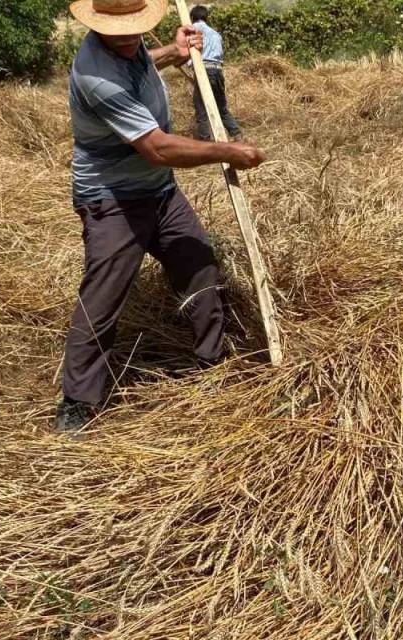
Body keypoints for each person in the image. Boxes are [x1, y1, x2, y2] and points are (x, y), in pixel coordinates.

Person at [57, 0, 267, 435]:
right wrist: (227, 150)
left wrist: (172, 53)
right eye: (121, 29)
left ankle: (212, 360)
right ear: (98, 28)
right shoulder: (96, 76)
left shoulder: (126, 46)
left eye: (136, 27)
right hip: (113, 199)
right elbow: (159, 149)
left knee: (200, 269)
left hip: (160, 191)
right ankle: (78, 403)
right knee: (102, 299)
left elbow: (140, 61)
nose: (130, 34)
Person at [188, 5, 242, 141]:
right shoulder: (216, 34)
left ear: (192, 17)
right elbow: (219, 55)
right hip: (217, 70)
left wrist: (189, 64)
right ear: (206, 18)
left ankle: (205, 141)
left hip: (203, 70)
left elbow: (189, 53)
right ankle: (236, 134)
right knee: (221, 105)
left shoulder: (192, 30)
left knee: (200, 107)